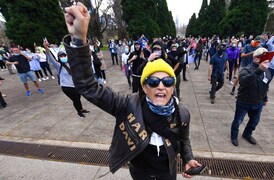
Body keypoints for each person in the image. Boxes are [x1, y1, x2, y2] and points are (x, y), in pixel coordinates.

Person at [63, 3, 201, 179]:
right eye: (153, 81)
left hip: (168, 174)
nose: (161, 86)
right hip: (140, 174)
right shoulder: (127, 105)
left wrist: (188, 158)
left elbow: (183, 139)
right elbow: (88, 87)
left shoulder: (182, 113)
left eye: (167, 82)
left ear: (173, 87)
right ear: (144, 86)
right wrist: (78, 39)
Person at [230, 48, 272, 146]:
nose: (267, 60)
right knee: (238, 121)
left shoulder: (267, 71)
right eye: (264, 57)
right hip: (244, 101)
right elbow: (244, 82)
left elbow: (265, 85)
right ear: (256, 58)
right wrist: (258, 71)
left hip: (258, 102)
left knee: (254, 121)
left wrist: (265, 98)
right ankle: (234, 136)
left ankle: (247, 134)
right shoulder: (246, 70)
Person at [43, 40, 90, 118]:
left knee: (78, 98)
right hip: (67, 87)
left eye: (64, 55)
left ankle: (81, 109)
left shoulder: (70, 63)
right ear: (58, 57)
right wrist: (46, 48)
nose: (63, 57)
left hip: (75, 85)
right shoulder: (58, 65)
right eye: (61, 56)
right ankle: (79, 112)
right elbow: (51, 58)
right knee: (76, 99)